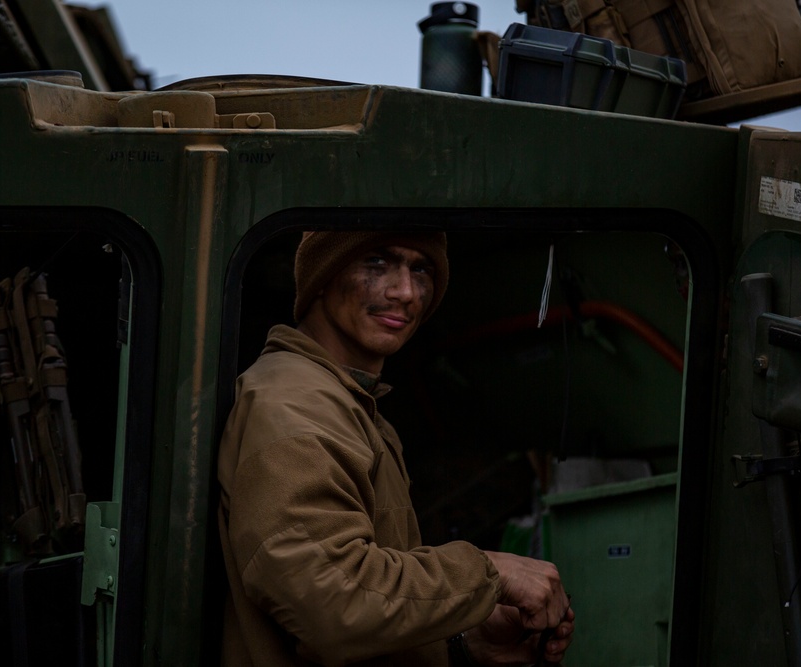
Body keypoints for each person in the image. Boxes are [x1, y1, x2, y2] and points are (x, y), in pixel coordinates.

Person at [217, 231, 574, 666]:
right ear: (322, 276)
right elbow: (332, 602)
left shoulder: (351, 404)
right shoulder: (295, 404)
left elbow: (358, 619)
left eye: (420, 269)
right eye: (376, 263)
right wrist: (489, 574)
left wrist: (463, 643)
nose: (404, 292)